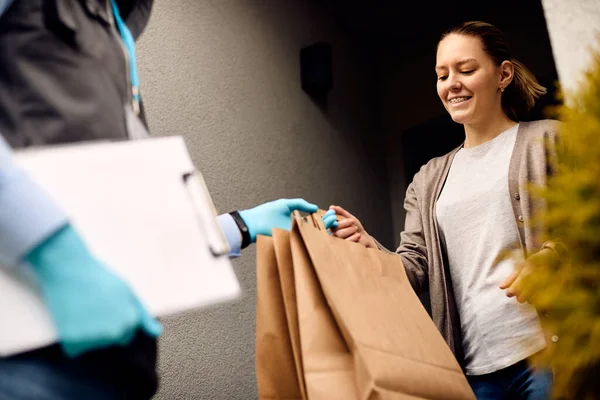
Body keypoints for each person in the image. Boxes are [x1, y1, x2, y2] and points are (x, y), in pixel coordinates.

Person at [0, 0, 317, 398]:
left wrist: (240, 226)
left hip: (113, 369)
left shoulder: (113, 35)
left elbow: (113, 219)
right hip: (25, 362)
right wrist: (58, 259)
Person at [323, 21, 563, 400]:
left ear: (503, 74)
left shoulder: (547, 140)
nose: (452, 83)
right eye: (442, 74)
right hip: (473, 372)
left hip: (548, 353)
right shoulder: (428, 179)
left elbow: (588, 225)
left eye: (466, 70)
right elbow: (415, 266)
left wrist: (552, 257)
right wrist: (369, 245)